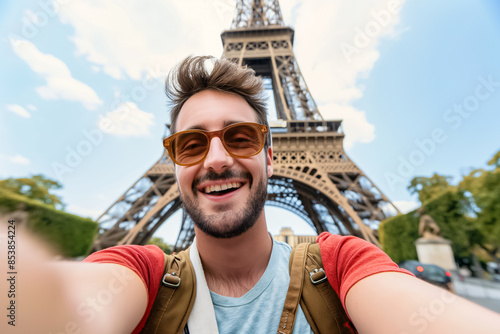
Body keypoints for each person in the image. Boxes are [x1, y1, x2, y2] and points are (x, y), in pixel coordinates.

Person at [2, 56, 500, 334]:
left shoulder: (341, 265)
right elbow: (56, 308)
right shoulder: (144, 276)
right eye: (191, 143)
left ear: (269, 153)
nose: (216, 158)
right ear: (172, 163)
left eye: (240, 137)